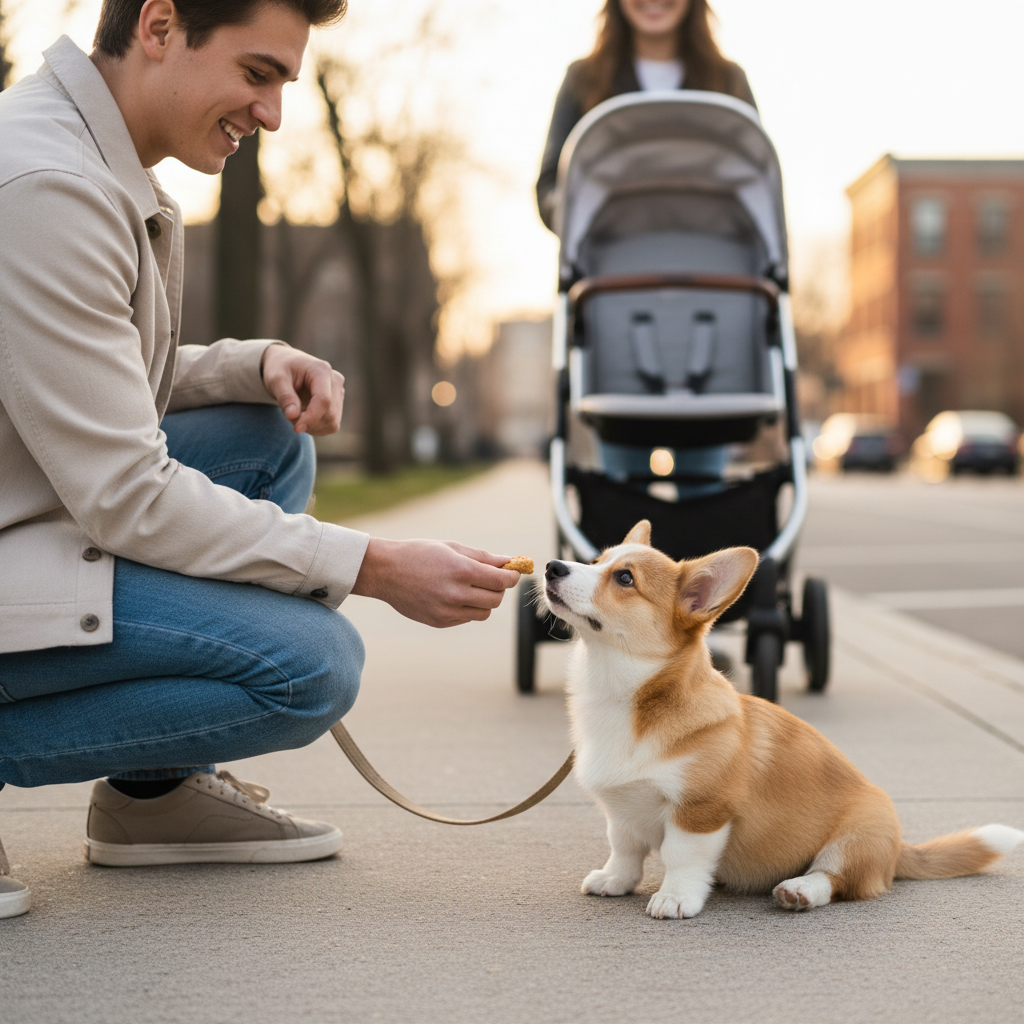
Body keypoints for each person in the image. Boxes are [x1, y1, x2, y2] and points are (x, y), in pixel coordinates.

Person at [0, 0, 521, 919]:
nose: (273, 115)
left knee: (262, 432)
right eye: (257, 74)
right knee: (309, 666)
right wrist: (373, 564)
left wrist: (254, 364)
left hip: (23, 508)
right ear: (160, 25)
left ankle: (152, 796)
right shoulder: (47, 183)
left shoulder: (94, 157)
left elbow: (76, 384)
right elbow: (127, 494)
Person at [536, 0, 756, 231]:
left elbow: (756, 179)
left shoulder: (729, 80)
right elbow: (550, 186)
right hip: (608, 256)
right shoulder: (582, 78)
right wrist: (583, 223)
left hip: (713, 253)